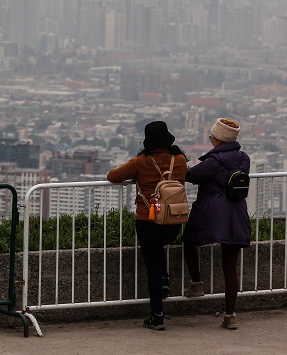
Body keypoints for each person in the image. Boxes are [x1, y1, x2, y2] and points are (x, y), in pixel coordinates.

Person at [107, 120, 187, 331]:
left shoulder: (141, 162)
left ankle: (157, 315)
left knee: (152, 265)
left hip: (148, 220)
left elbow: (112, 176)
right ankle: (164, 278)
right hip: (173, 220)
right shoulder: (179, 160)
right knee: (160, 249)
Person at [182, 117, 251, 330]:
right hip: (237, 214)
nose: (210, 138)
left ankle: (196, 283)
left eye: (212, 135)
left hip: (212, 213)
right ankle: (230, 315)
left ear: (218, 139)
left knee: (188, 240)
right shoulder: (243, 158)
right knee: (230, 268)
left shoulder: (213, 162)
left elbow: (190, 175)